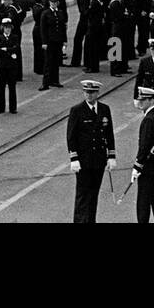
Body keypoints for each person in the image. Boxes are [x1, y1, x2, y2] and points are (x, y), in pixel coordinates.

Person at [66, 80, 116, 223]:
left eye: (92, 92)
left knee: (94, 194)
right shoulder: (77, 110)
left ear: (97, 93)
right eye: (86, 92)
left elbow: (109, 134)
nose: (89, 95)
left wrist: (111, 156)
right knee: (82, 195)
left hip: (99, 160)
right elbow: (71, 136)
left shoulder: (104, 109)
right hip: (83, 160)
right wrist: (73, 158)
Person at [131, 86, 154, 223]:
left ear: (151, 100)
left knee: (143, 202)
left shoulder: (148, 120)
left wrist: (137, 166)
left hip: (148, 167)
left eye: (144, 100)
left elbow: (144, 146)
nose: (140, 102)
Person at [0, 18, 21, 113]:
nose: (8, 29)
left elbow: (17, 49)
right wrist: (10, 50)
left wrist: (5, 49)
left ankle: (13, 108)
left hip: (11, 66)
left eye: (9, 27)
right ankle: (0, 108)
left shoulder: (15, 37)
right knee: (1, 87)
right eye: (6, 28)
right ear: (2, 28)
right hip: (1, 66)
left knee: (12, 87)